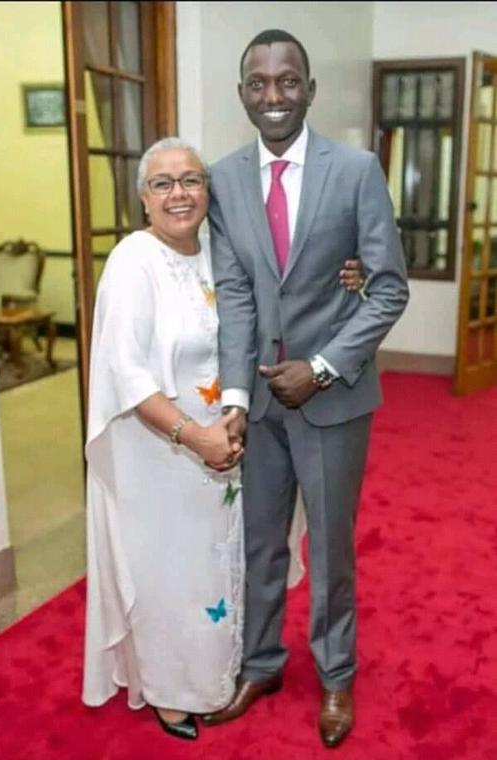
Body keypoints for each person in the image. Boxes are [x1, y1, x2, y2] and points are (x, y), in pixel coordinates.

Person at [81, 137, 366, 741]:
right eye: (163, 183)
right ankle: (165, 687)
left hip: (229, 443)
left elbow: (280, 297)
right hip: (163, 449)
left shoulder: (217, 251)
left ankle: (221, 668)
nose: (179, 193)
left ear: (209, 192)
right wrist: (192, 436)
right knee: (166, 568)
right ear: (142, 198)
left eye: (191, 180)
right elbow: (124, 373)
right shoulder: (134, 262)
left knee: (217, 567)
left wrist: (353, 275)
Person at [202, 29, 409, 749]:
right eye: (258, 84)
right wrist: (233, 397)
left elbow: (386, 289)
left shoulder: (354, 170)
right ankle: (259, 663)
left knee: (327, 547)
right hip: (257, 403)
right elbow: (234, 295)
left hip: (332, 401)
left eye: (287, 81)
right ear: (242, 96)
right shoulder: (223, 179)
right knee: (259, 545)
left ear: (310, 90)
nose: (273, 96)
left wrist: (319, 368)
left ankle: (335, 675)